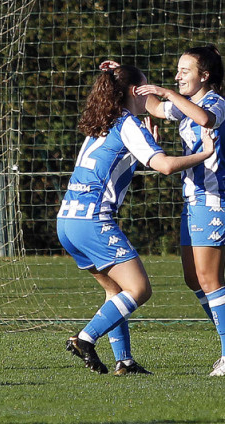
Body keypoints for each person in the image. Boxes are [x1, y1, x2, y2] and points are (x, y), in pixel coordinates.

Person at [59, 63, 216, 375]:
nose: (150, 95)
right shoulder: (128, 123)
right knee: (140, 289)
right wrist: (204, 153)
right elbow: (166, 166)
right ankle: (85, 338)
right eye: (145, 88)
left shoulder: (102, 123)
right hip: (93, 221)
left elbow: (112, 162)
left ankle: (125, 362)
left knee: (115, 291)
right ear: (134, 92)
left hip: (68, 221)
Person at [133, 46, 225, 376]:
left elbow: (205, 119)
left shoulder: (215, 102)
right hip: (193, 201)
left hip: (213, 200)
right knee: (193, 279)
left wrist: (168, 91)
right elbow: (155, 107)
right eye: (176, 70)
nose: (177, 76)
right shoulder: (185, 106)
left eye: (184, 71)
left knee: (210, 279)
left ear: (205, 76)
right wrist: (125, 76)